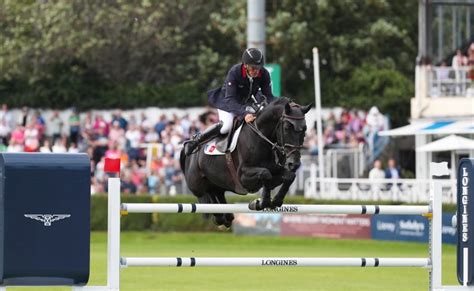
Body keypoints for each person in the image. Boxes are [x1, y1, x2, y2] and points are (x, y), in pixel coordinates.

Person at [184, 48, 275, 155]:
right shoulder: (235, 72)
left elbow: (268, 96)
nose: (256, 71)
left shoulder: (263, 74)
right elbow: (230, 100)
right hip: (227, 102)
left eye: (259, 68)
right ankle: (197, 140)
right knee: (226, 126)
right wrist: (244, 113)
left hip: (246, 102)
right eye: (253, 68)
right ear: (245, 65)